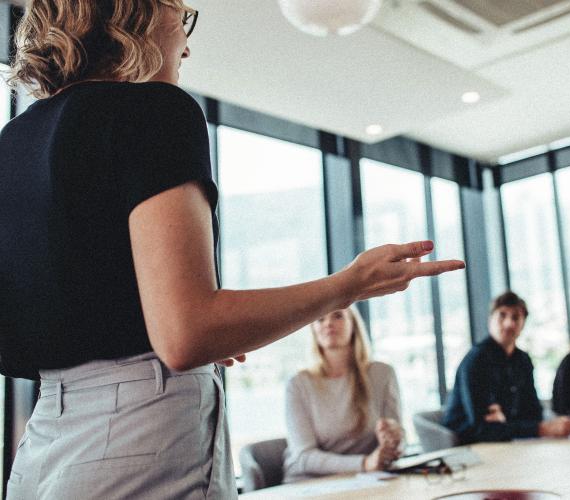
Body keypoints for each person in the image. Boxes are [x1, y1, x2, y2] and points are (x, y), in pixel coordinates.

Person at [0, 2, 464, 498]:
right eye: (183, 16)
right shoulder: (156, 109)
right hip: (139, 433)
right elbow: (187, 335)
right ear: (135, 13)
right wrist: (349, 285)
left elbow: (60, 315)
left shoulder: (13, 140)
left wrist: (212, 322)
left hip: (43, 440)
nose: (187, 41)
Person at [283, 307, 403, 483]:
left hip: (368, 479)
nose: (328, 323)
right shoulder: (298, 384)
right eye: (320, 319)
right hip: (310, 482)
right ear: (313, 329)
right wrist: (364, 463)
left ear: (354, 324)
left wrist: (395, 442)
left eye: (338, 316)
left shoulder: (383, 373)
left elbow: (398, 438)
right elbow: (304, 457)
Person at [442, 291, 570, 444]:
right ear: (490, 320)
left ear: (523, 324)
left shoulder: (523, 360)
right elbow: (481, 427)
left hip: (507, 442)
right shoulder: (476, 361)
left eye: (515, 317)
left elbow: (533, 413)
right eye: (502, 315)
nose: (508, 323)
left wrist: (506, 421)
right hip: (466, 445)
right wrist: (541, 428)